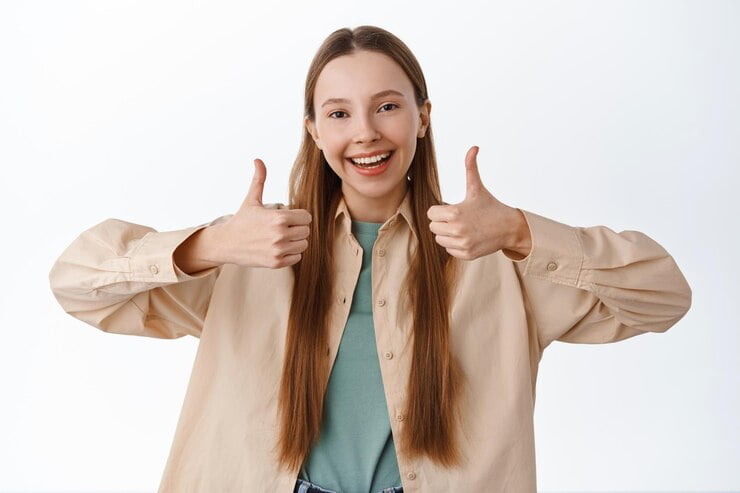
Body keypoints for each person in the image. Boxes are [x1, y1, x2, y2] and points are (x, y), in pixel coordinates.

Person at [48, 25, 692, 493]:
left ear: (422, 117)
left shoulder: (494, 256)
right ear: (314, 129)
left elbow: (665, 295)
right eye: (339, 113)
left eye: (387, 106)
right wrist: (210, 246)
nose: (365, 132)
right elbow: (75, 283)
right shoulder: (255, 250)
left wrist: (523, 233)